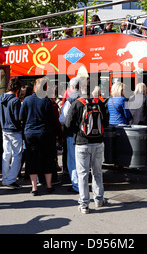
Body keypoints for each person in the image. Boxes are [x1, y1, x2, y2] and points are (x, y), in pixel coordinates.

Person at [65, 77, 109, 213]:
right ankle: (99, 199)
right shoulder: (100, 103)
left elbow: (67, 124)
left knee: (83, 174)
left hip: (82, 143)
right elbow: (106, 123)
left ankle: (84, 205)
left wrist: (78, 131)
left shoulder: (77, 103)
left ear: (81, 88)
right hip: (98, 143)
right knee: (97, 172)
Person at [19, 78, 56, 196]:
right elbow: (52, 119)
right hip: (44, 133)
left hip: (30, 133)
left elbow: (21, 117)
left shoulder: (27, 100)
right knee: (47, 158)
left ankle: (34, 187)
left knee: (32, 159)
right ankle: (49, 185)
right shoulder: (47, 101)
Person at [0, 78, 23, 189]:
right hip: (14, 130)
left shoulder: (1, 99)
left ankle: (5, 178)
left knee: (6, 154)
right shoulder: (15, 100)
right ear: (17, 88)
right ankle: (11, 179)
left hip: (4, 128)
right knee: (17, 155)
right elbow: (18, 117)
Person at [59, 77, 82, 193]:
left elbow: (62, 119)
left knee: (72, 161)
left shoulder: (70, 100)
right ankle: (82, 183)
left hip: (72, 134)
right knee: (83, 161)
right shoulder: (86, 98)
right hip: (85, 134)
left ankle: (77, 185)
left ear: (71, 87)